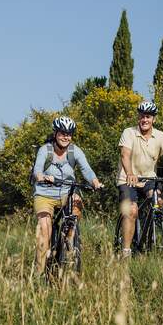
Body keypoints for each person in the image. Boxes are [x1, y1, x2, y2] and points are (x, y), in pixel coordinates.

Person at [33, 116, 102, 274]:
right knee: (44, 229)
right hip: (45, 193)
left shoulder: (75, 151)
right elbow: (37, 170)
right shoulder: (46, 150)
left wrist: (95, 181)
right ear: (55, 134)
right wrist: (42, 177)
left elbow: (86, 170)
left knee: (76, 204)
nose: (65, 137)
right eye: (62, 133)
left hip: (67, 191)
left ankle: (70, 242)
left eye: (69, 134)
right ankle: (39, 273)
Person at [117, 100, 163, 257]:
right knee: (132, 210)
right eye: (142, 116)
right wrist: (129, 173)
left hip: (149, 179)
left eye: (148, 117)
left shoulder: (160, 136)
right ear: (138, 118)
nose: (144, 120)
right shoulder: (129, 132)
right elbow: (125, 155)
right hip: (128, 179)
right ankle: (126, 252)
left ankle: (150, 238)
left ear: (153, 119)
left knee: (158, 202)